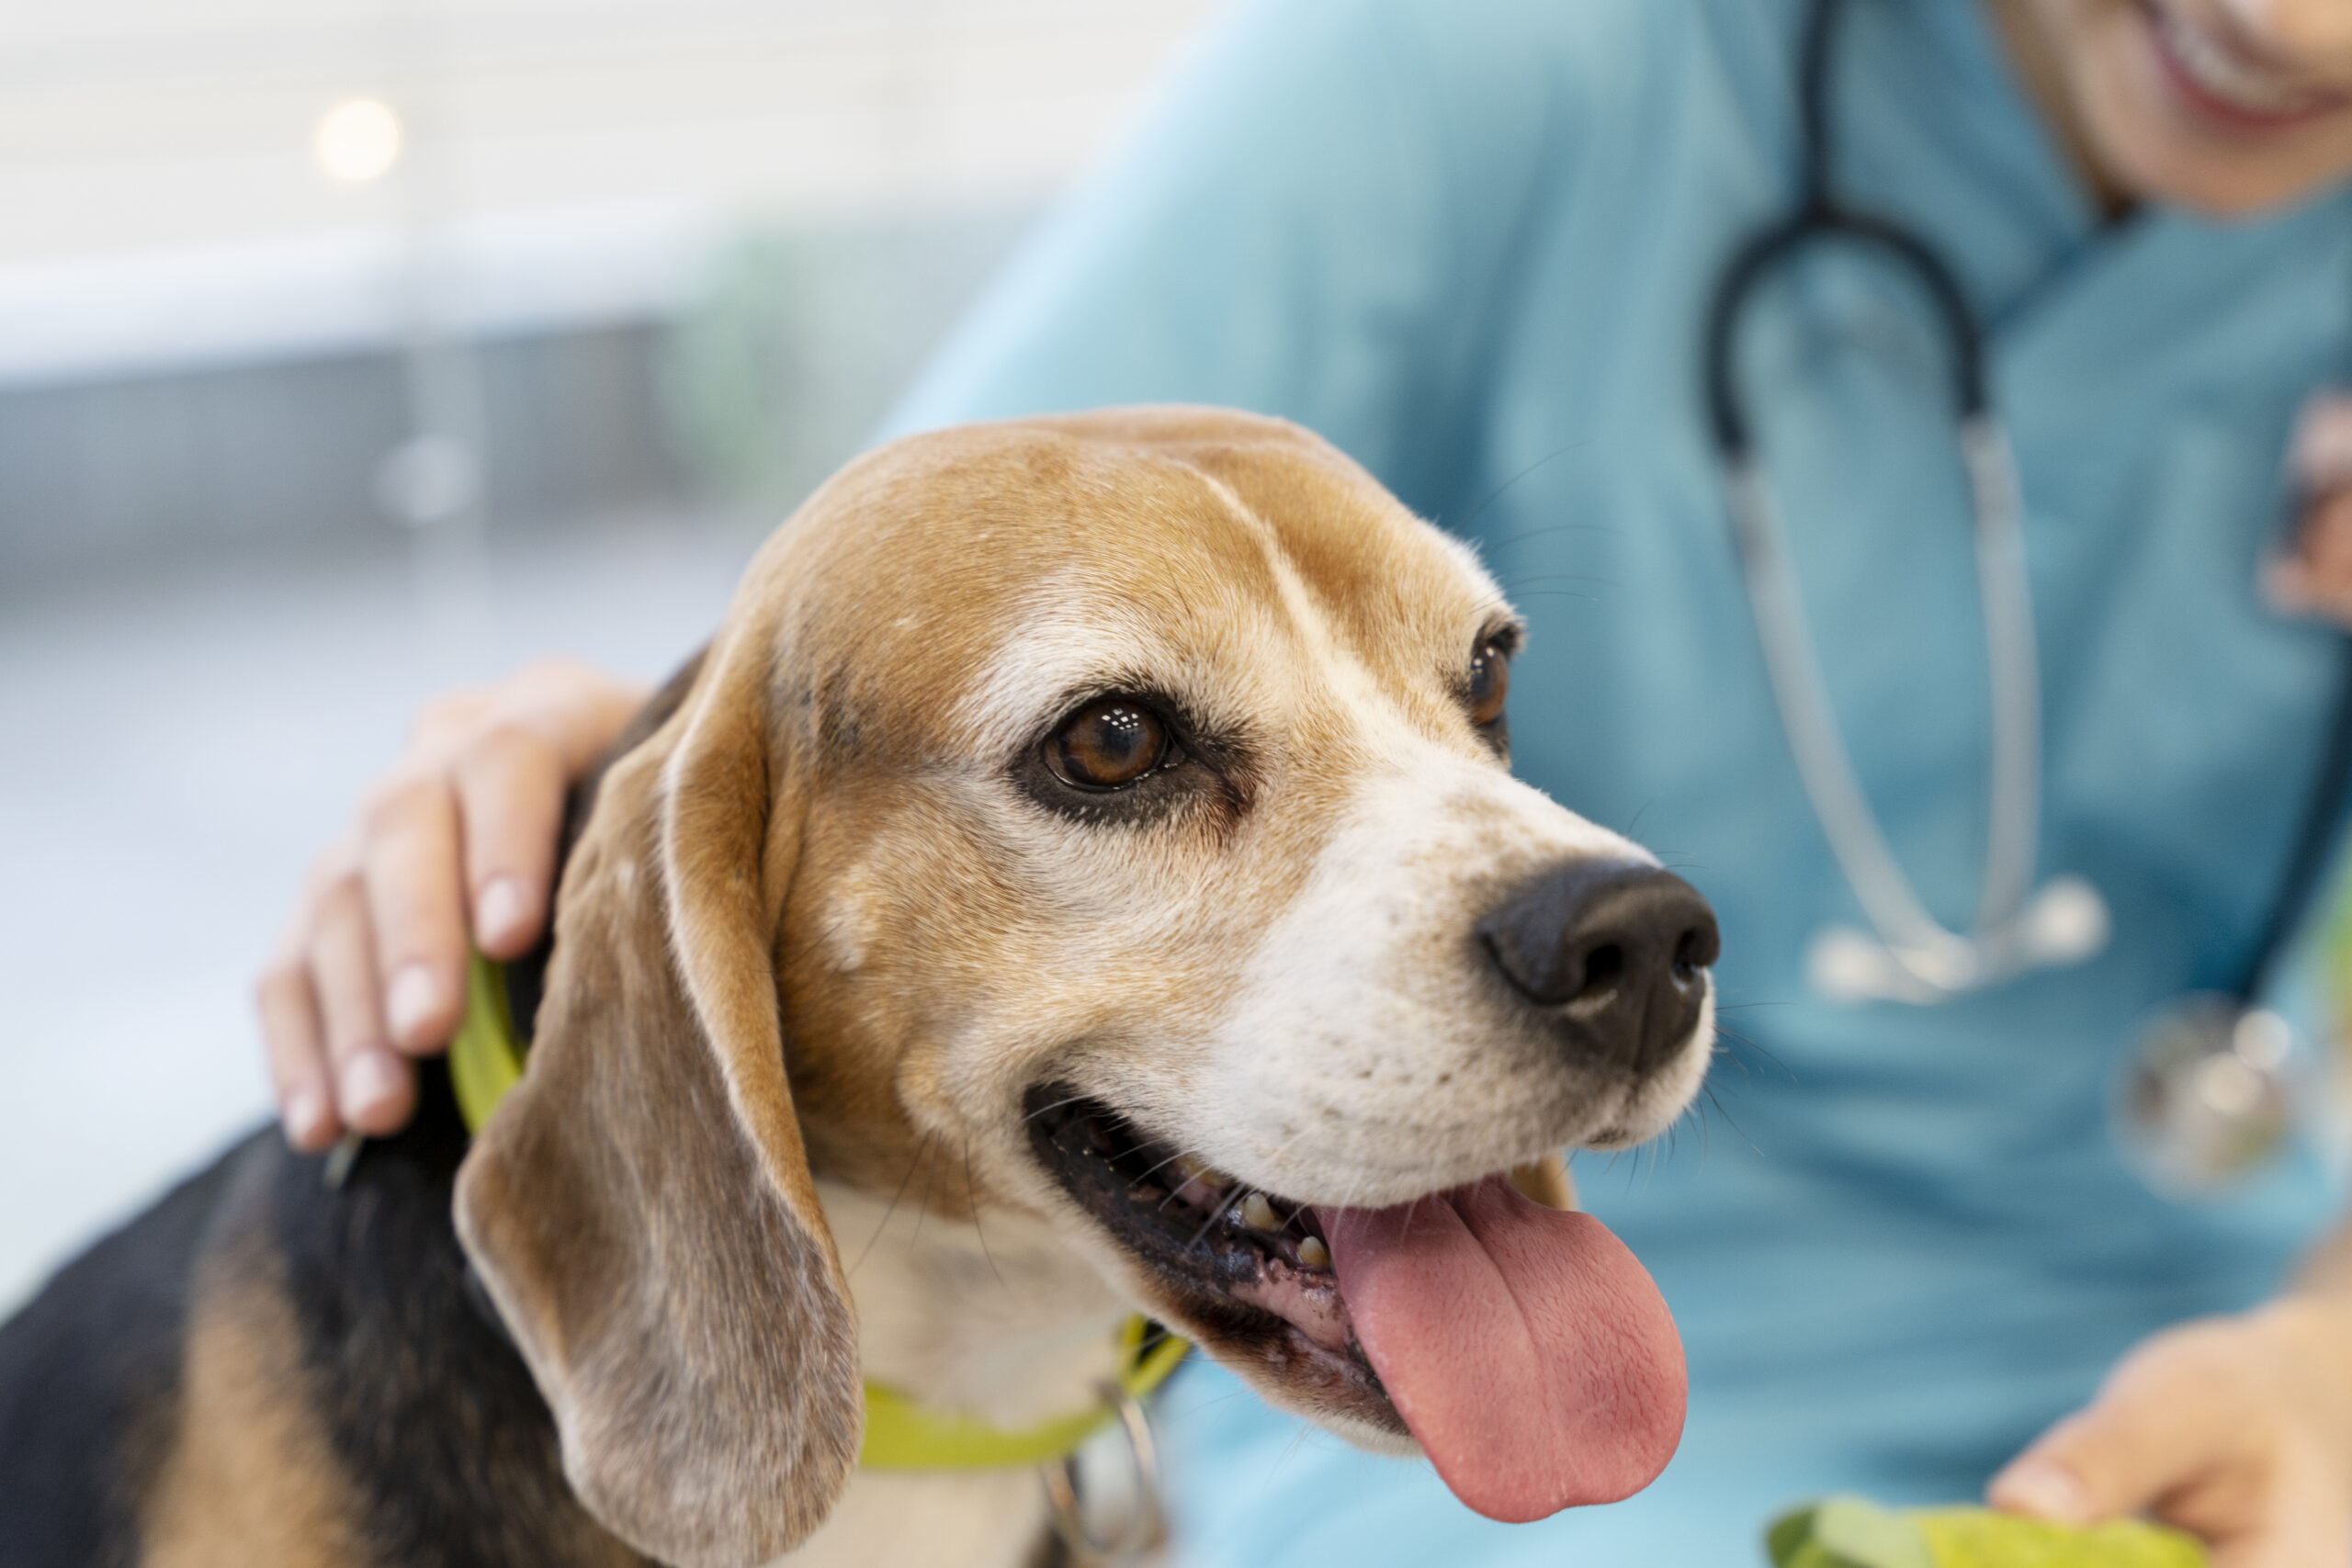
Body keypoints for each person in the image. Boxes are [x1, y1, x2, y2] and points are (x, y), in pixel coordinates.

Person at [254, 0, 2352, 1561]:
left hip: (2230, 1333)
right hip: (1453, 1291)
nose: (2277, 26)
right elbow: (916, 619)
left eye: (1484, 680)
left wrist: (2327, 1373)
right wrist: (615, 760)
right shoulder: (1484, 63)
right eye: (1126, 752)